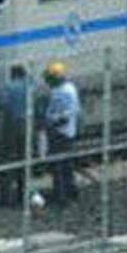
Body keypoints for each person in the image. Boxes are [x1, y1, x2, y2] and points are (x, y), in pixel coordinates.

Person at [43, 61, 81, 206]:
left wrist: (51, 124)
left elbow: (64, 116)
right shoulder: (69, 88)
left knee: (59, 166)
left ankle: (62, 196)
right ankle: (70, 192)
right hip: (66, 132)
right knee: (66, 165)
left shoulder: (62, 92)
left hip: (60, 133)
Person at [0, 65, 31, 207]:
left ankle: (6, 197)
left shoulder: (8, 87)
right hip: (26, 125)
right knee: (24, 161)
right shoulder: (29, 85)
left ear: (12, 75)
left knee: (8, 161)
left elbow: (0, 103)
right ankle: (23, 194)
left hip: (11, 126)